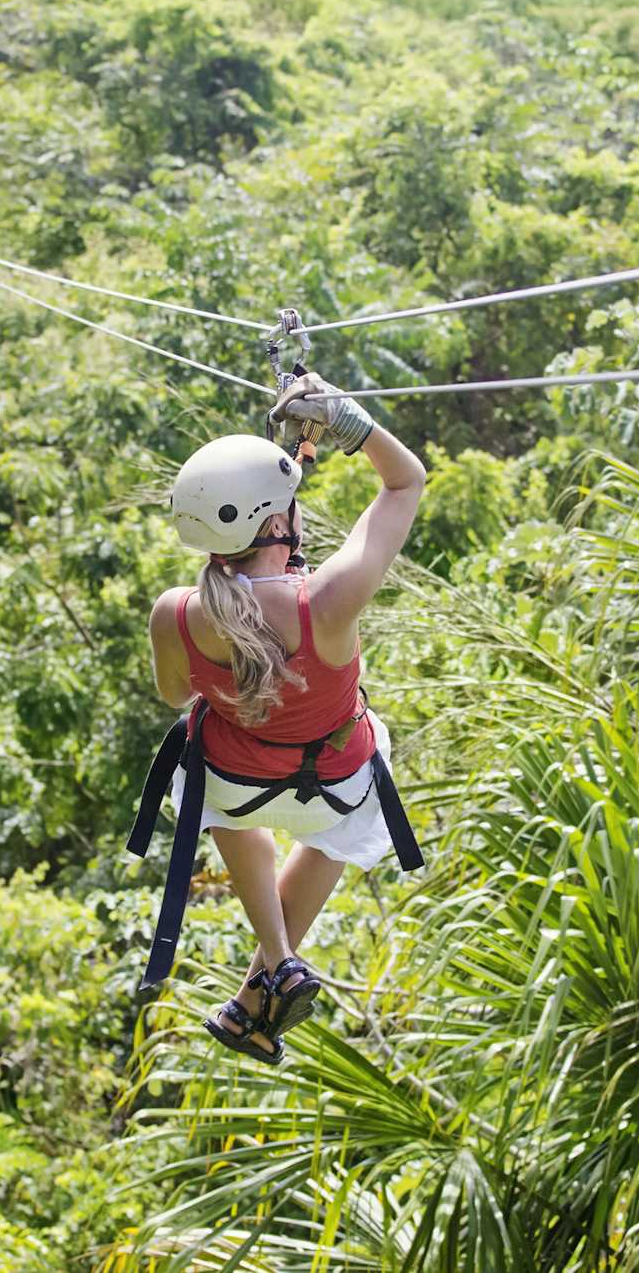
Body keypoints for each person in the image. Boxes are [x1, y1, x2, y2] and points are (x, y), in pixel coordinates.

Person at [140, 372, 426, 1063]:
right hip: (337, 785)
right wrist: (350, 423)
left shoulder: (177, 613)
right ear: (279, 524)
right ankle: (267, 976)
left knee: (204, 762)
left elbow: (176, 698)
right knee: (362, 763)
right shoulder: (327, 599)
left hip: (238, 786)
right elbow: (406, 482)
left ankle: (268, 973)